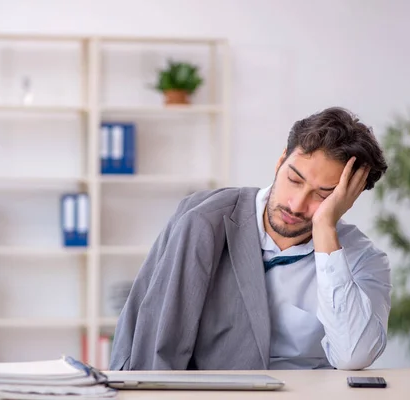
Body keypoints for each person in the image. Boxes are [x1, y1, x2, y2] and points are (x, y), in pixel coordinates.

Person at [109, 107, 391, 371]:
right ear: (281, 161)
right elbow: (157, 349)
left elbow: (354, 355)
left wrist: (325, 232)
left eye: (323, 195)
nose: (296, 204)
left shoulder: (362, 258)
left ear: (346, 200)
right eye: (293, 180)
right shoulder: (205, 222)